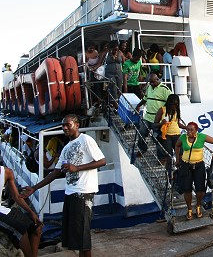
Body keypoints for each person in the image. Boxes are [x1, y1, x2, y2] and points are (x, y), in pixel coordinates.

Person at [22, 114, 106, 257]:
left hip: (83, 193)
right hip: (70, 193)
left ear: (77, 125)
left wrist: (77, 168)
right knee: (76, 237)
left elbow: (102, 161)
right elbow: (55, 173)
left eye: (68, 124)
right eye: (63, 125)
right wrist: (35, 188)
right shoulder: (66, 148)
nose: (65, 128)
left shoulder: (86, 140)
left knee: (83, 236)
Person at [174, 122, 213, 220]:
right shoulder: (183, 138)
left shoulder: (202, 137)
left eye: (191, 130)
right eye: (188, 130)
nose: (189, 132)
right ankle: (189, 209)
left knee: (200, 189)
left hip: (199, 166)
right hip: (186, 165)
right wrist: (178, 159)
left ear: (196, 130)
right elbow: (177, 146)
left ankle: (198, 205)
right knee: (187, 189)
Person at [0, 165, 42, 257]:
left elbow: (16, 196)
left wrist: (31, 212)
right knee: (21, 230)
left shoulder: (7, 172)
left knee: (37, 227)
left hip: (3, 210)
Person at [135, 73, 171, 157]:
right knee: (141, 132)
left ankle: (161, 157)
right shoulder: (149, 87)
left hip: (158, 119)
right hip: (148, 117)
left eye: (152, 82)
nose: (151, 84)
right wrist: (138, 105)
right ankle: (142, 149)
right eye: (149, 82)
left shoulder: (165, 89)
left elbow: (171, 102)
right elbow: (145, 98)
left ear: (158, 79)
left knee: (157, 138)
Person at [154, 94, 186, 167]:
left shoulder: (176, 111)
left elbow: (177, 123)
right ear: (169, 102)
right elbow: (154, 124)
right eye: (174, 104)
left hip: (177, 135)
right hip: (167, 136)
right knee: (169, 156)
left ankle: (180, 172)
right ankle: (169, 174)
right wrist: (161, 123)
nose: (175, 106)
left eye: (177, 104)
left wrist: (186, 127)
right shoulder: (162, 110)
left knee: (181, 154)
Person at [104, 41, 123, 107]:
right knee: (113, 88)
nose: (116, 50)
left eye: (117, 49)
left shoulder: (120, 53)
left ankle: (119, 103)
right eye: (114, 49)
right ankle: (115, 105)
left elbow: (123, 60)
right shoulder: (107, 53)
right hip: (110, 73)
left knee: (119, 88)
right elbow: (101, 62)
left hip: (119, 72)